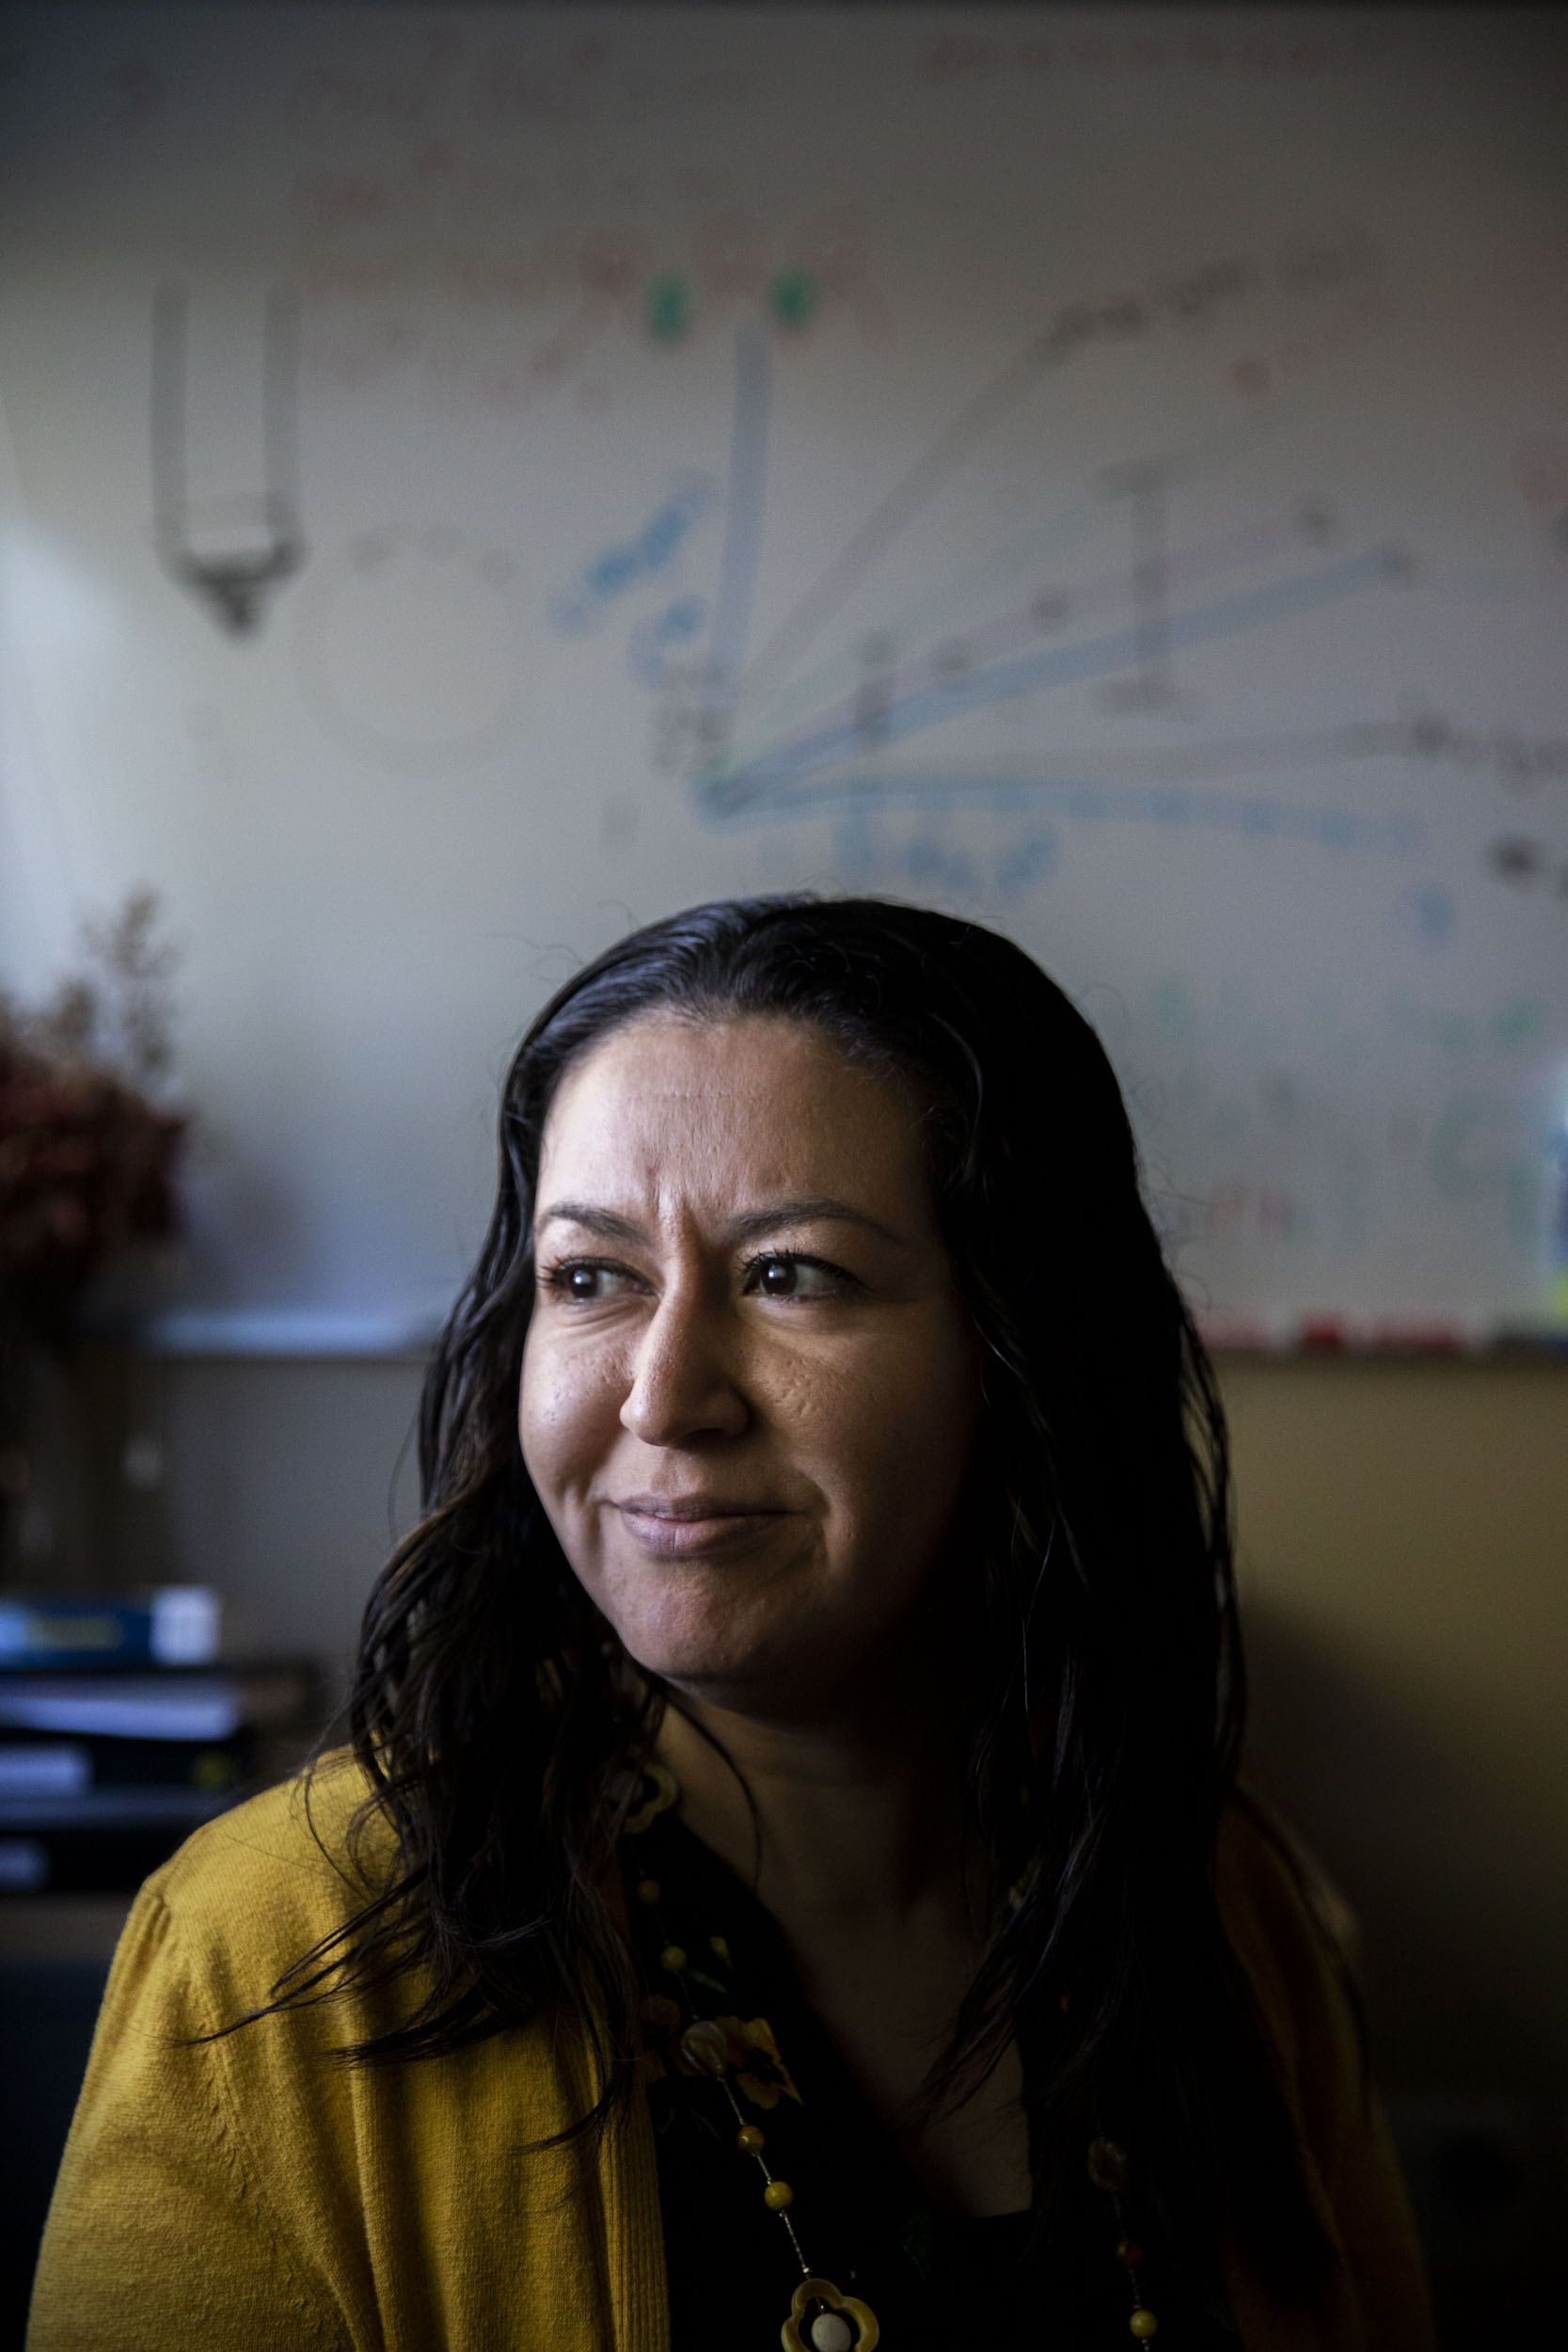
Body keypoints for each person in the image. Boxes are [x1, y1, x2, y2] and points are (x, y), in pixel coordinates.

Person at [30, 896, 1433, 2351]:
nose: (660, 1394)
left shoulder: (1222, 1907)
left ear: (1021, 1357)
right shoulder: (273, 1953)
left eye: (789, 1276)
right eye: (590, 1279)